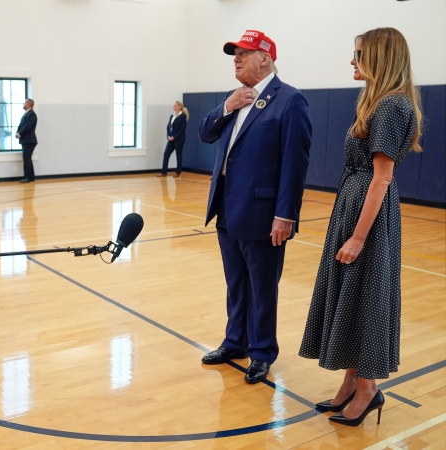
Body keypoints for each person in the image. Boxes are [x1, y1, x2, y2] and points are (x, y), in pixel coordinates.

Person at [299, 27, 423, 427]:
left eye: (358, 53)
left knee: (366, 293)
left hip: (367, 212)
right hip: (352, 202)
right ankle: (352, 381)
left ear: (381, 58)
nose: (352, 60)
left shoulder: (390, 107)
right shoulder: (373, 101)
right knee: (351, 293)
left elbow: (381, 178)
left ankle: (368, 388)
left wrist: (357, 235)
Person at [197, 30, 311, 384]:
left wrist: (285, 214)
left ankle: (262, 352)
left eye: (243, 53)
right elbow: (205, 133)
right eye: (235, 54)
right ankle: (236, 342)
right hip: (227, 207)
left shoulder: (290, 101)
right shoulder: (236, 98)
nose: (236, 59)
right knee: (236, 283)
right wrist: (226, 106)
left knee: (263, 286)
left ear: (265, 58)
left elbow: (295, 163)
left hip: (264, 214)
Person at [157, 101, 188, 178]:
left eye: (175, 105)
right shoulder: (172, 116)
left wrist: (174, 137)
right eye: (174, 105)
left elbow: (182, 130)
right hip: (171, 139)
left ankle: (178, 172)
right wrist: (168, 136)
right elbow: (168, 127)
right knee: (166, 154)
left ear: (179, 107)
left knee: (178, 155)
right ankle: (163, 172)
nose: (174, 106)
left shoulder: (183, 117)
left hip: (179, 139)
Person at [15, 98, 38, 183]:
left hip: (29, 141)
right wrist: (18, 132)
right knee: (27, 158)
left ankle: (27, 177)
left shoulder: (31, 114)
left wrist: (20, 134)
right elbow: (21, 125)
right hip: (27, 140)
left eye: (24, 103)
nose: (23, 104)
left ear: (28, 104)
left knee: (27, 159)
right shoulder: (26, 114)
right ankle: (31, 177)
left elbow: (28, 126)